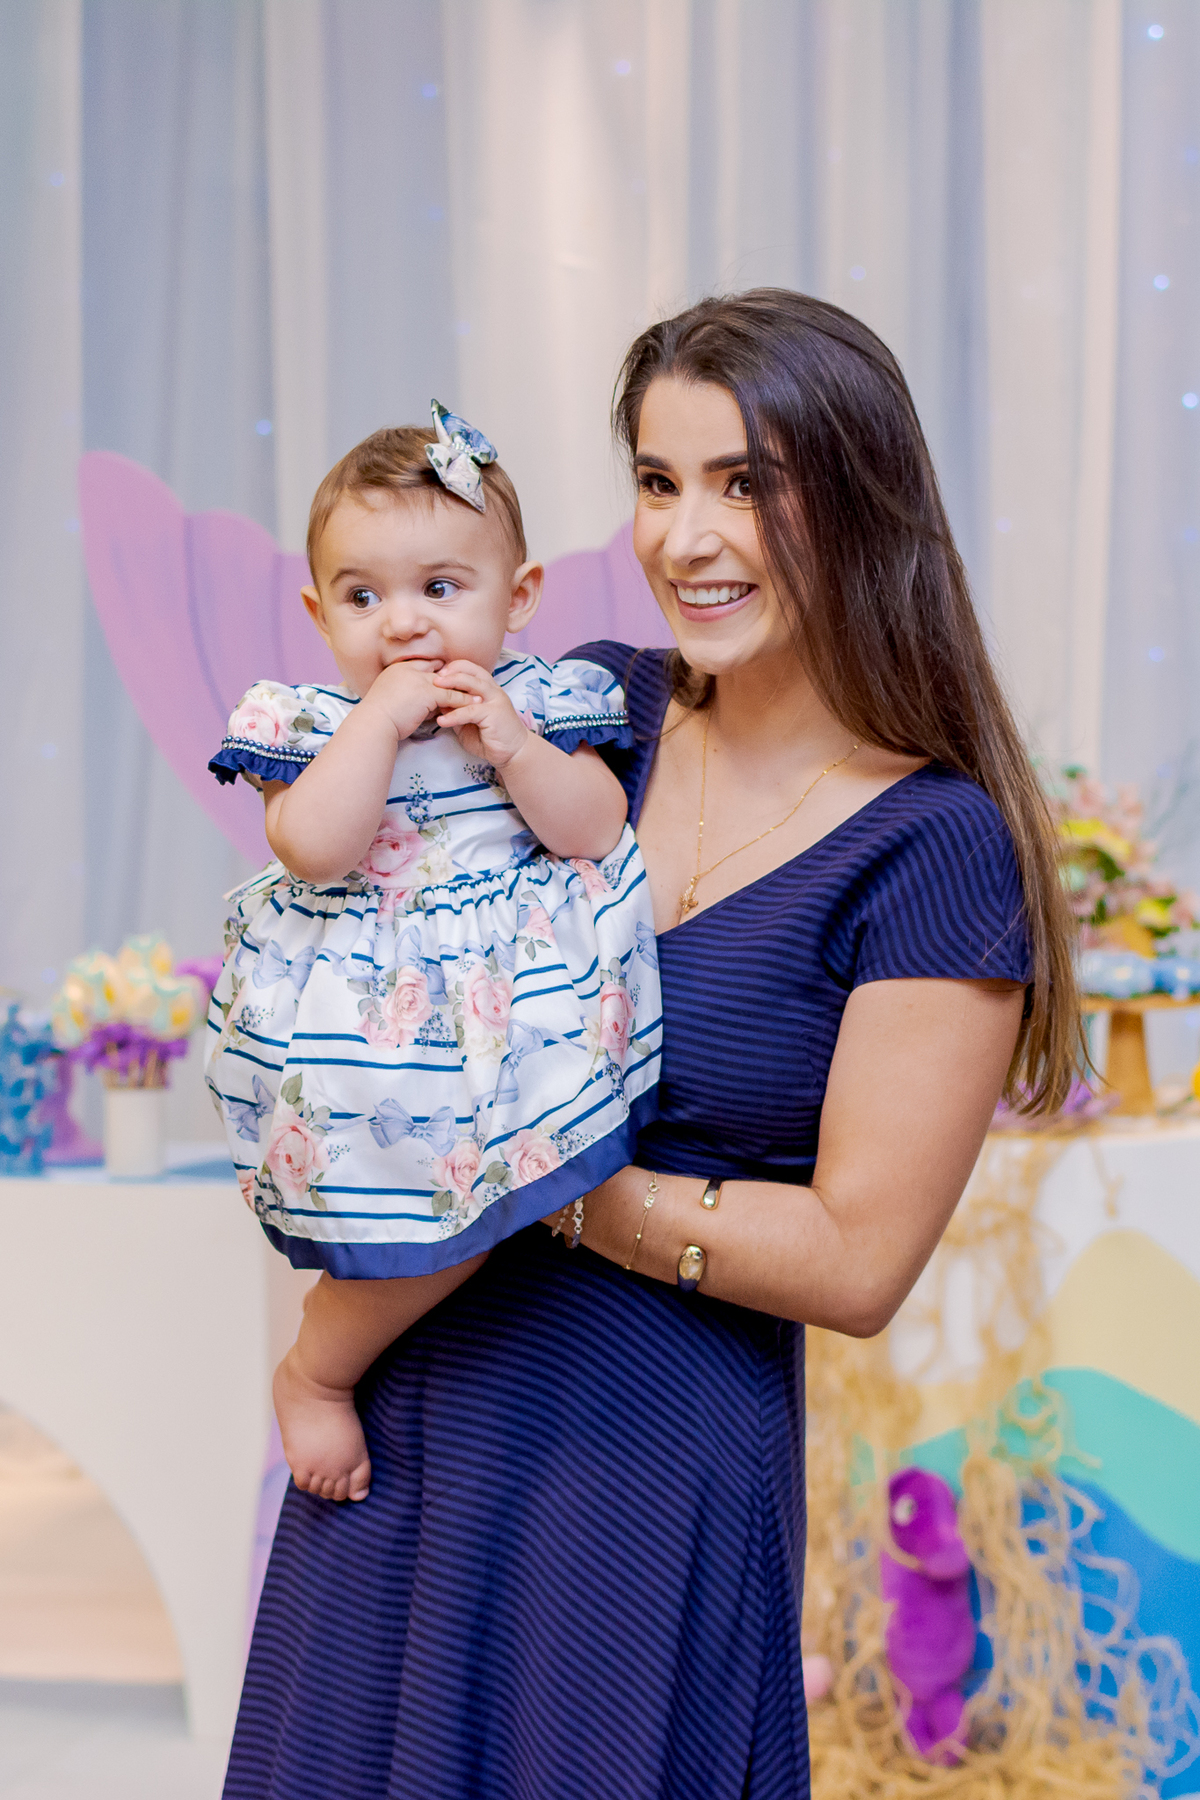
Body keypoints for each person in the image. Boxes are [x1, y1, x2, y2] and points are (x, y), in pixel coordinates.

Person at [221, 291, 1079, 1800]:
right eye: (659, 480)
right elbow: (358, 886)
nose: (688, 537)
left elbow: (857, 1263)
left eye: (748, 484)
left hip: (640, 1477)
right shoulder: (587, 708)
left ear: (862, 498)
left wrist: (529, 1172)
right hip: (410, 1423)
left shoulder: (934, 845)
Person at [205, 406, 661, 1504]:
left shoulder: (541, 702)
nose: (403, 624)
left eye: (440, 588)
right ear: (318, 613)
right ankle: (319, 1367)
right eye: (363, 598)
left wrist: (510, 743)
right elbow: (315, 849)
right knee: (431, 1212)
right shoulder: (310, 723)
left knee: (518, 1199)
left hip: (516, 1013)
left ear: (520, 596)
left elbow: (595, 827)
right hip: (378, 1031)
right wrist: (379, 723)